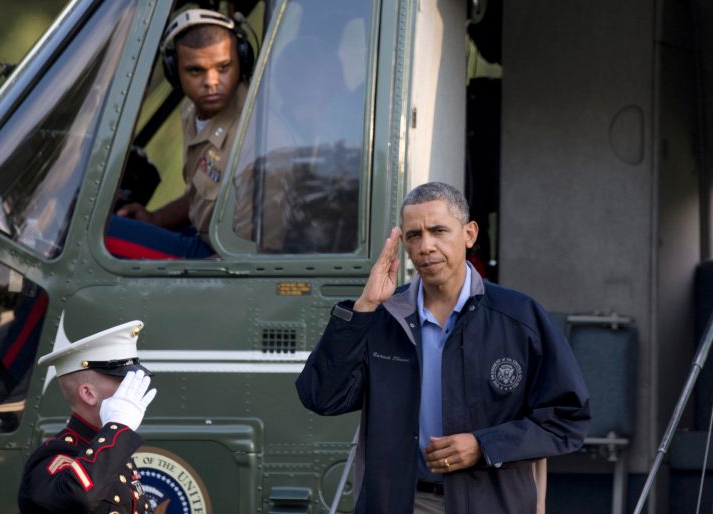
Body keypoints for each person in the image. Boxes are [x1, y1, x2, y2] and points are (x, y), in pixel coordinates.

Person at [295, 182, 590, 514]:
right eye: (414, 235)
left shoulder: (518, 317)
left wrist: (483, 445)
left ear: (469, 234)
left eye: (438, 231)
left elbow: (567, 419)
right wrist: (364, 308)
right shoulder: (384, 317)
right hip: (403, 503)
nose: (426, 246)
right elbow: (321, 397)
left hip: (491, 503)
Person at [106, 9, 252, 259]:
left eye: (224, 67)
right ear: (175, 73)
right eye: (196, 71)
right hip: (201, 234)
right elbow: (203, 196)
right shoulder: (191, 111)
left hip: (221, 259)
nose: (212, 82)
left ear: (241, 62)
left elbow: (261, 244)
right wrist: (156, 219)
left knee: (96, 232)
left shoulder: (253, 129)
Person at [18, 317, 158, 513]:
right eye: (123, 381)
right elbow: (76, 498)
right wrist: (118, 427)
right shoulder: (53, 457)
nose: (132, 390)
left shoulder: (109, 447)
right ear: (88, 394)